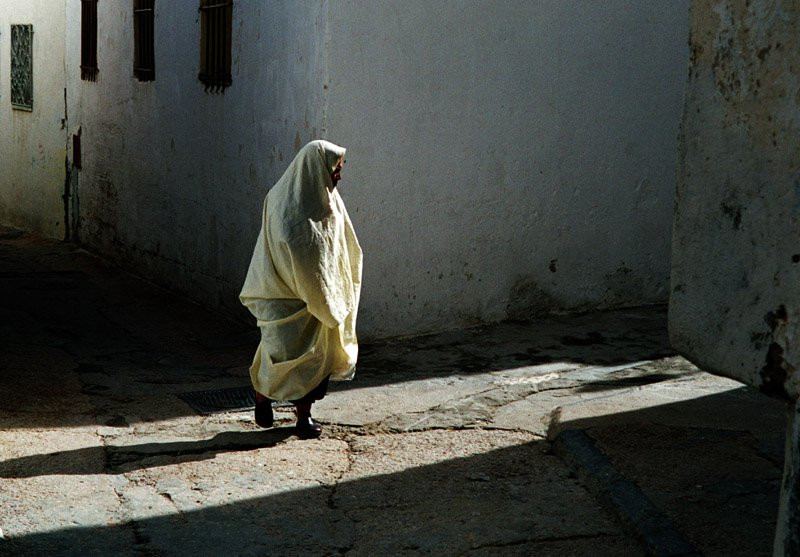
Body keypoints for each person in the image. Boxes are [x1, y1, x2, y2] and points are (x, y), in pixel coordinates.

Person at [240, 140, 362, 439]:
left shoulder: (329, 199)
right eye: (335, 168)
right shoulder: (282, 200)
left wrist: (327, 291)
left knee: (314, 357)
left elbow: (340, 243)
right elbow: (291, 247)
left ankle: (303, 417)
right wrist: (314, 289)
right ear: (316, 166)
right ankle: (262, 397)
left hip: (317, 296)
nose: (339, 175)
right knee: (279, 353)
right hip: (281, 295)